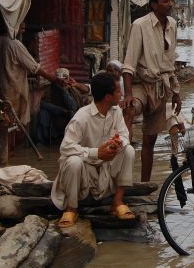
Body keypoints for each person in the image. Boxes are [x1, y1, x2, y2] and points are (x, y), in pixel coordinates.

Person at [51, 72, 135, 228]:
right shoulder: (81, 117)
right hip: (84, 169)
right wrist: (96, 153)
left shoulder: (115, 112)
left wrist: (117, 143)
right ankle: (71, 208)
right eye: (118, 91)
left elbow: (124, 135)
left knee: (128, 150)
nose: (121, 94)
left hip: (104, 168)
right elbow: (65, 148)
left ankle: (117, 202)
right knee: (73, 161)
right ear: (108, 97)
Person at [122, 0, 181, 182]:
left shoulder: (172, 24)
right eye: (166, 1)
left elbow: (170, 62)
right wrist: (128, 94)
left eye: (171, 0)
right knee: (130, 109)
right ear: (154, 5)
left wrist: (176, 92)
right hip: (141, 84)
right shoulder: (140, 25)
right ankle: (123, 153)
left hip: (161, 87)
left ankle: (144, 184)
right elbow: (129, 64)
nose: (171, 4)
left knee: (150, 140)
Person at [0, 22, 58, 125]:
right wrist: (54, 79)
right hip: (11, 93)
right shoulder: (15, 44)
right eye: (20, 21)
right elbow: (35, 68)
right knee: (11, 123)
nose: (23, 24)